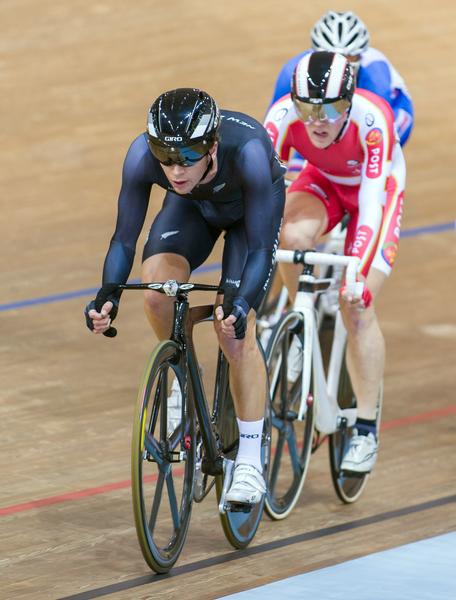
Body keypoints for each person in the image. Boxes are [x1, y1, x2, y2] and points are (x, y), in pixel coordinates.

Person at [84, 88, 285, 504]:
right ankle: (180, 376)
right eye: (166, 155)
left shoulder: (247, 151)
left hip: (250, 216)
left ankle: (248, 460)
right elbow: (124, 240)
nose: (176, 169)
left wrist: (242, 303)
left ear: (212, 146)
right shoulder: (143, 157)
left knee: (232, 330)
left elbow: (262, 249)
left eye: (189, 156)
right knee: (157, 290)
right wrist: (108, 294)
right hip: (192, 210)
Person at [264, 51, 406, 472]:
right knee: (289, 235)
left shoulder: (371, 121)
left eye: (332, 108)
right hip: (323, 180)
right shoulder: (282, 115)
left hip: (375, 193)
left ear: (350, 100)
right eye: (309, 109)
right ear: (295, 102)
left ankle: (364, 427)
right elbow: (261, 192)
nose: (319, 120)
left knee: (356, 304)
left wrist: (355, 273)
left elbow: (370, 204)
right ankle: (297, 312)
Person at [269, 10, 413, 177]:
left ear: (360, 57)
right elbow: (276, 128)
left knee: (356, 166)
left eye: (349, 60)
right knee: (317, 126)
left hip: (395, 111)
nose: (337, 67)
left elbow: (370, 129)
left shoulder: (375, 77)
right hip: (330, 111)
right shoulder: (292, 72)